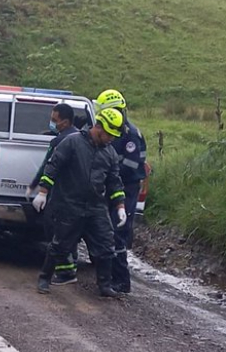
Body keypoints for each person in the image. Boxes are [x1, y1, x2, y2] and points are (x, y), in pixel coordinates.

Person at [33, 108, 127, 297]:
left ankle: (105, 286)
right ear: (98, 127)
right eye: (109, 134)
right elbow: (54, 166)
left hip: (96, 207)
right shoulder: (73, 142)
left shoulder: (110, 153)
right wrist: (43, 192)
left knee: (106, 245)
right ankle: (44, 278)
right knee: (59, 245)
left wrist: (120, 206)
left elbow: (114, 182)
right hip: (69, 204)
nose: (111, 139)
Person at [96, 89, 147, 294]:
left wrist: (107, 172)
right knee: (108, 231)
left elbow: (129, 166)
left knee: (118, 232)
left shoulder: (130, 135)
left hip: (126, 187)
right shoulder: (116, 131)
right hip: (114, 186)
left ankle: (121, 280)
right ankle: (108, 275)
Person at [26, 103, 79, 285]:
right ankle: (71, 267)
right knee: (71, 232)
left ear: (64, 122)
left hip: (59, 195)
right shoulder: (83, 139)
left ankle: (65, 272)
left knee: (54, 232)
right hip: (79, 196)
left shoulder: (59, 142)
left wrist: (35, 186)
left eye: (54, 120)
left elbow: (47, 167)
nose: (52, 123)